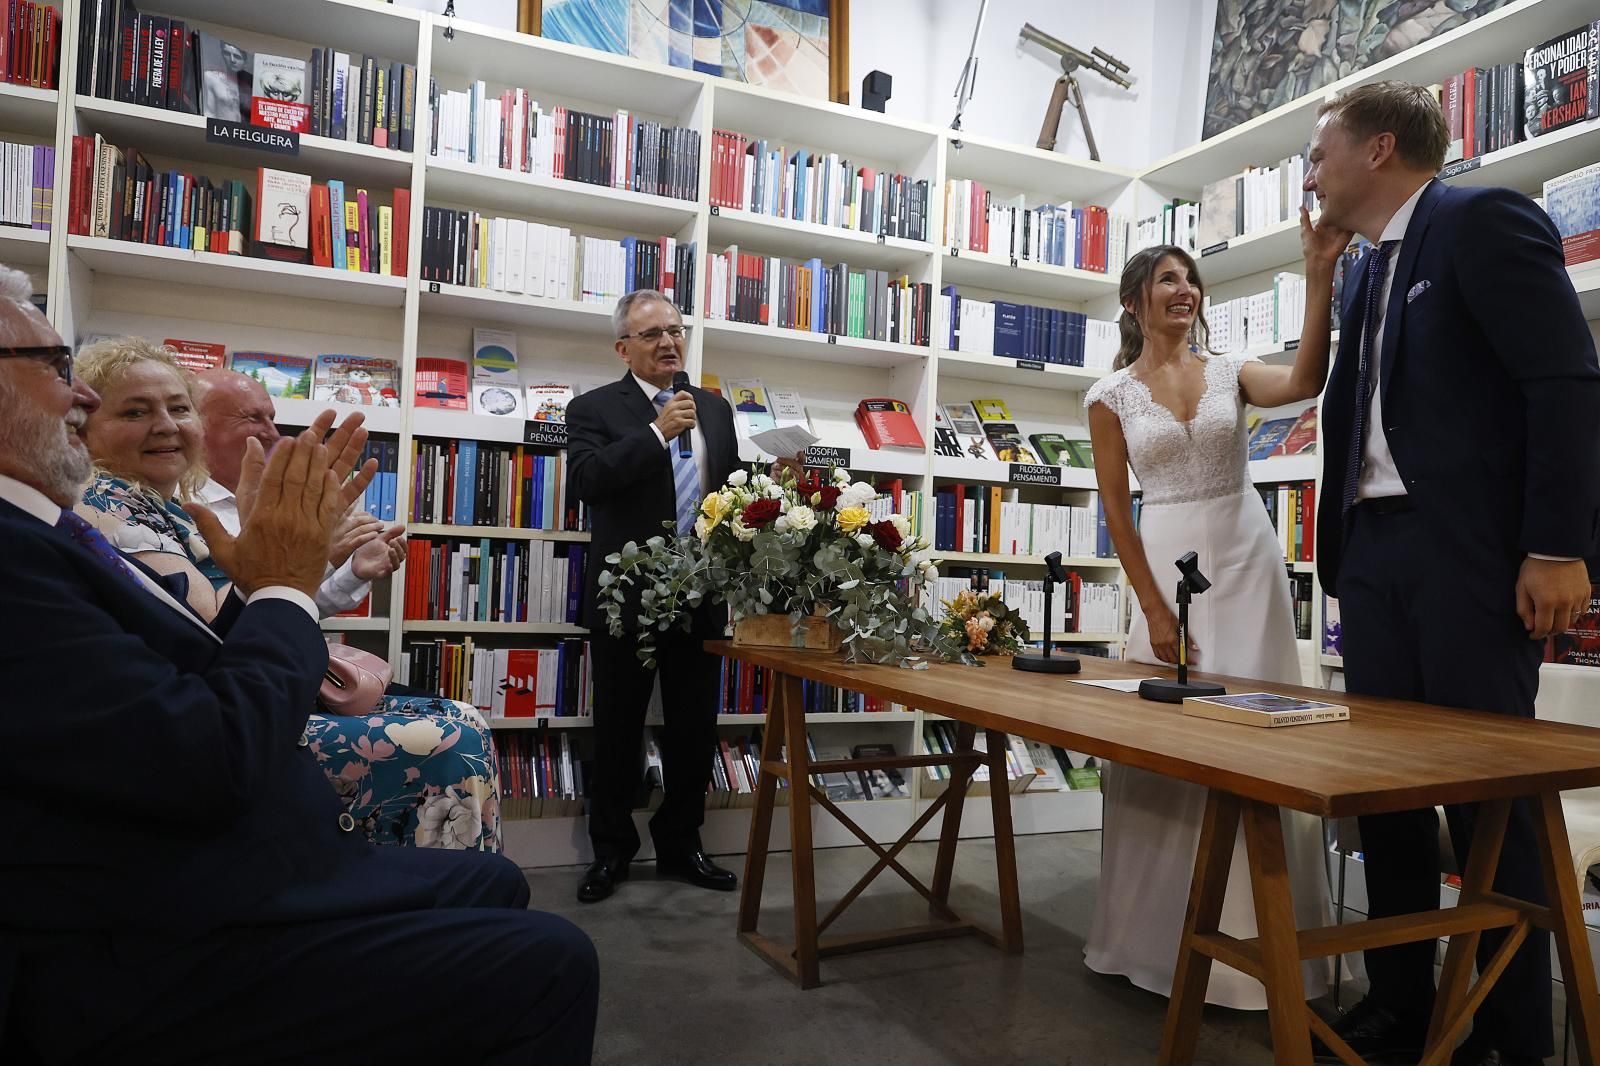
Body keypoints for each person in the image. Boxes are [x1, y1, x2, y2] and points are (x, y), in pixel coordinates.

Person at [0, 265, 598, 1063]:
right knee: (554, 959)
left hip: (223, 854)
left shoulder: (67, 526)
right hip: (156, 920)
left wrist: (287, 578)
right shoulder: (35, 546)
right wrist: (283, 580)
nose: (79, 397)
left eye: (176, 408)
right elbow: (207, 749)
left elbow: (201, 655)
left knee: (491, 881)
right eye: (56, 367)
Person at [1305, 81, 1600, 1066]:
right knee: (1383, 799)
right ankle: (1403, 1008)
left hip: (1470, 558)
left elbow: (1562, 380)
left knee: (1487, 804)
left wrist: (1559, 546)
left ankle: (1512, 1038)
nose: (1310, 173)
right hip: (1376, 557)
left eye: (1320, 153)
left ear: (1378, 148)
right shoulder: (1359, 272)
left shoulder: (1483, 218)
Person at [1082, 222, 1349, 1009]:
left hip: (1247, 557)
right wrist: (1152, 608)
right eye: (1167, 279)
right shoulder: (1110, 396)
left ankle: (1265, 948)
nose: (1183, 290)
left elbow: (1306, 378)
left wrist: (1318, 275)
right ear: (1136, 301)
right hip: (1163, 558)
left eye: (1189, 279)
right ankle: (1151, 940)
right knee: (1165, 745)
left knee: (1263, 735)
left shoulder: (1232, 371)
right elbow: (1116, 515)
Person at [566, 289, 742, 904]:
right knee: (618, 728)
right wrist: (655, 431)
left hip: (702, 595)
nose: (668, 342)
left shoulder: (716, 409)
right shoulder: (591, 408)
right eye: (651, 334)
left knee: (695, 729)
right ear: (623, 348)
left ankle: (682, 846)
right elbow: (587, 482)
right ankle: (611, 852)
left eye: (674, 330)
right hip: (627, 599)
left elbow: (730, 495)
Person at [194, 367, 406, 618]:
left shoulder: (277, 502)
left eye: (271, 418)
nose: (273, 433)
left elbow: (287, 609)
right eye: (252, 418)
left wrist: (354, 573)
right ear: (196, 424)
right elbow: (217, 625)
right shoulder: (173, 506)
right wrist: (322, 557)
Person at [74, 337, 230, 621]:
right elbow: (210, 624)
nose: (167, 425)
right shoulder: (103, 500)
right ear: (82, 430)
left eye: (179, 408)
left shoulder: (169, 505)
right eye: (135, 412)